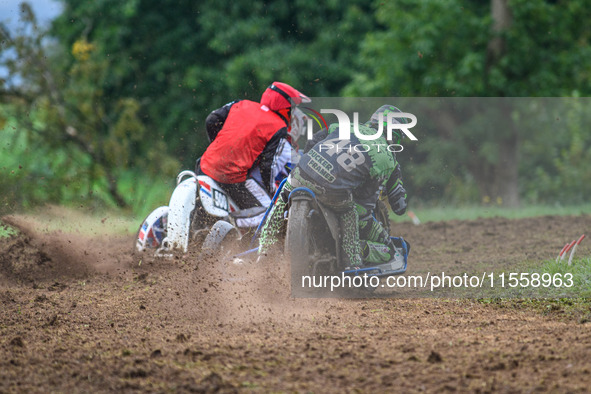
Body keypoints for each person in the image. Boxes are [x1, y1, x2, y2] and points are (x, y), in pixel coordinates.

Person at [258, 105, 409, 268]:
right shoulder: (387, 158)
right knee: (351, 212)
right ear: (395, 134)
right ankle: (352, 262)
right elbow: (395, 206)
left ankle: (263, 254)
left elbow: (313, 141)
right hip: (332, 193)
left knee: (281, 201)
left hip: (300, 175)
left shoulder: (344, 126)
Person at [198, 82, 310, 228]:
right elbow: (268, 166)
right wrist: (272, 195)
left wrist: (217, 145)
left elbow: (211, 120)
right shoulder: (278, 127)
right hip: (232, 179)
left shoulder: (242, 104)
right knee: (271, 215)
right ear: (285, 107)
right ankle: (229, 222)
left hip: (203, 165)